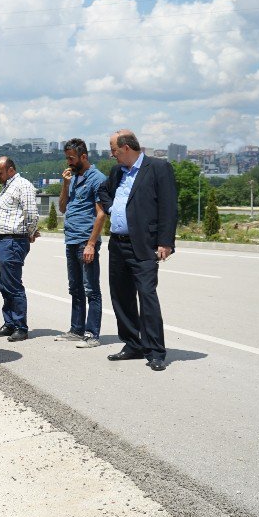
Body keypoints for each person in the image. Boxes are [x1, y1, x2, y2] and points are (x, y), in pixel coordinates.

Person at [98, 130, 177, 372]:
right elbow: (103, 191)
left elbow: (168, 207)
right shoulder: (117, 172)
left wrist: (165, 242)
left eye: (114, 150)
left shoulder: (158, 168)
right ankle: (133, 344)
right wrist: (113, 208)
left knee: (147, 296)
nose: (111, 155)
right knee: (121, 296)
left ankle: (155, 351)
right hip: (118, 244)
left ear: (127, 148)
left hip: (143, 244)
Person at [54, 138, 107, 348]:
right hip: (71, 240)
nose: (68, 162)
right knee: (75, 288)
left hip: (86, 241)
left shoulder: (98, 179)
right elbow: (63, 208)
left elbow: (101, 214)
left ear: (83, 156)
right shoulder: (73, 178)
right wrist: (65, 185)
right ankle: (76, 329)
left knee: (91, 290)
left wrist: (91, 244)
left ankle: (92, 334)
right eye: (67, 158)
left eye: (71, 158)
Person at [0, 157, 40, 342]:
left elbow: (32, 214)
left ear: (10, 170)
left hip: (12, 241)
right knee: (3, 285)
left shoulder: (22, 185)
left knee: (13, 285)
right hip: (1, 240)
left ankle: (20, 327)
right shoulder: (7, 186)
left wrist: (30, 233)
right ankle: (9, 323)